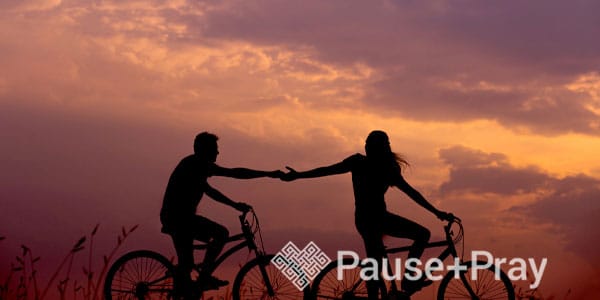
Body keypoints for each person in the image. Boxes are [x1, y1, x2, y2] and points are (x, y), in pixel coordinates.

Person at [282, 130, 453, 299]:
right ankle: (407, 281)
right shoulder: (368, 164)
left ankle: (403, 282)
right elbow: (326, 170)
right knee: (415, 239)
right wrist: (298, 175)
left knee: (379, 262)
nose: (366, 147)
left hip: (371, 219)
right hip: (374, 220)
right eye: (367, 144)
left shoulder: (379, 167)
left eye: (369, 144)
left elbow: (411, 193)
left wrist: (437, 212)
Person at [160, 132, 283, 298]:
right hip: (179, 219)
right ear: (204, 150)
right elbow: (233, 174)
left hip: (182, 219)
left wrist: (234, 204)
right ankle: (203, 277)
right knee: (221, 234)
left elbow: (211, 188)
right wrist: (267, 174)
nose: (217, 153)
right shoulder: (195, 164)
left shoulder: (196, 165)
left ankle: (188, 282)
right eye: (214, 149)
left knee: (187, 267)